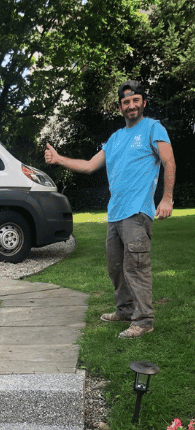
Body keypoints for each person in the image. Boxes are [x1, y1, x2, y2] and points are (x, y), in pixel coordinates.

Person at [44, 80, 176, 338]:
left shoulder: (153, 128)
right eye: (126, 102)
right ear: (120, 107)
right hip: (115, 213)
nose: (131, 105)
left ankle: (144, 321)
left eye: (136, 100)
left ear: (143, 103)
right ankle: (125, 310)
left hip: (137, 212)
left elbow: (168, 162)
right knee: (115, 267)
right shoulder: (114, 139)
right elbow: (90, 166)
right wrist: (59, 159)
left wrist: (167, 198)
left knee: (136, 267)